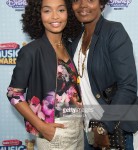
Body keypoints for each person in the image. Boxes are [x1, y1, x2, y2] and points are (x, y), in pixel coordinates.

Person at [69, 0, 138, 149]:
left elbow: (128, 86)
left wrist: (104, 126)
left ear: (101, 3)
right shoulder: (75, 40)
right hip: (88, 130)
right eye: (76, 0)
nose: (82, 5)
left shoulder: (114, 31)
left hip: (116, 130)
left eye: (90, 0)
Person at [7, 0, 84, 149]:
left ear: (68, 13)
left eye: (61, 10)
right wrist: (41, 127)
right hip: (53, 131)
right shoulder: (31, 51)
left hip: (78, 128)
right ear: (38, 15)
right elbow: (13, 94)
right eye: (47, 11)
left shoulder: (70, 46)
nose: (55, 16)